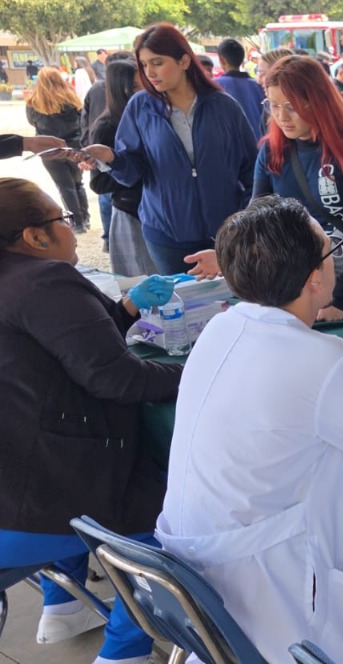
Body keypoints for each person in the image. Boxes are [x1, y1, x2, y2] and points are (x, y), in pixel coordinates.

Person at [156, 196, 343, 664]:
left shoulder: (220, 330)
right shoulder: (324, 362)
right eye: (329, 253)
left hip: (199, 587)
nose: (334, 262)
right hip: (277, 608)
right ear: (313, 279)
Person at [0, 177, 182, 664]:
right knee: (172, 516)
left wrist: (126, 308)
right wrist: (195, 374)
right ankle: (124, 652)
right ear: (35, 237)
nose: (73, 229)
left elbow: (60, 348)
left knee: (67, 470)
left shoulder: (16, 280)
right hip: (30, 505)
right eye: (63, 219)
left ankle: (61, 607)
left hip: (20, 474)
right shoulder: (43, 279)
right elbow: (115, 378)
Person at [80, 23, 258, 275]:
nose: (149, 72)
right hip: (166, 235)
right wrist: (110, 157)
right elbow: (132, 173)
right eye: (143, 64)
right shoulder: (140, 107)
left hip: (228, 234)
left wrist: (243, 217)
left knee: (233, 302)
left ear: (184, 61)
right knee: (181, 307)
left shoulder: (224, 106)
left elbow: (252, 168)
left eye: (157, 62)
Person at [247, 55, 343, 320]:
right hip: (298, 280)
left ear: (317, 101)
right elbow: (256, 219)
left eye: (292, 107)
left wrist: (340, 300)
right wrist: (225, 255)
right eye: (273, 105)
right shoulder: (272, 151)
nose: (282, 117)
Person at [87, 59, 158, 276]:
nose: (144, 91)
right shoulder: (106, 126)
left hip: (159, 214)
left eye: (145, 84)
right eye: (136, 87)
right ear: (121, 89)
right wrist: (129, 169)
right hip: (132, 214)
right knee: (143, 283)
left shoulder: (153, 116)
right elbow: (98, 183)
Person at [26, 66, 90, 233]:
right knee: (78, 184)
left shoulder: (33, 103)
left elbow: (32, 122)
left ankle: (76, 223)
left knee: (64, 186)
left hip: (48, 150)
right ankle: (85, 217)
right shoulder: (73, 100)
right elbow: (83, 122)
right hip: (74, 147)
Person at [214, 38, 266, 140]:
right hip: (260, 146)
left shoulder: (214, 86)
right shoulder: (259, 86)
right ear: (242, 59)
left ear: (222, 60)